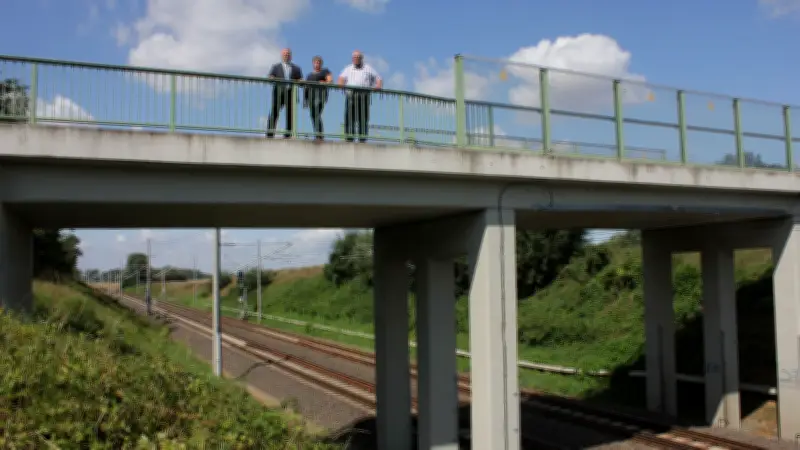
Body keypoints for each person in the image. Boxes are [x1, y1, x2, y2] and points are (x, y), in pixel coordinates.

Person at [337, 50, 382, 143]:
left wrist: (378, 85)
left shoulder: (368, 68)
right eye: (354, 57)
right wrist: (341, 85)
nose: (356, 59)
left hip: (363, 96)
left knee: (363, 118)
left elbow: (378, 78)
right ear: (352, 59)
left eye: (358, 57)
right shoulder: (348, 68)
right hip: (351, 96)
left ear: (361, 58)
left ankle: (362, 139)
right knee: (349, 117)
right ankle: (349, 138)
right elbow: (341, 78)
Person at [266, 48, 303, 138]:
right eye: (284, 54)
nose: (286, 55)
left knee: (290, 114)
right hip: (278, 93)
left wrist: (301, 81)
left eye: (288, 54)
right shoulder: (276, 67)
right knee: (274, 112)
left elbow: (300, 80)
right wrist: (271, 77)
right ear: (282, 55)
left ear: (290, 56)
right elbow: (270, 76)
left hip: (290, 93)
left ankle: (288, 134)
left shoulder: (296, 68)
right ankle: (270, 134)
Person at [303, 55, 333, 141]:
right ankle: (317, 134)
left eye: (319, 62)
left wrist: (325, 82)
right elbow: (306, 88)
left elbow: (330, 81)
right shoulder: (309, 75)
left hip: (320, 96)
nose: (317, 64)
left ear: (321, 64)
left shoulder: (325, 71)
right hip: (310, 98)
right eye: (316, 62)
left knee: (316, 114)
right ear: (313, 64)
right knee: (313, 115)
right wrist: (305, 100)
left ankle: (319, 135)